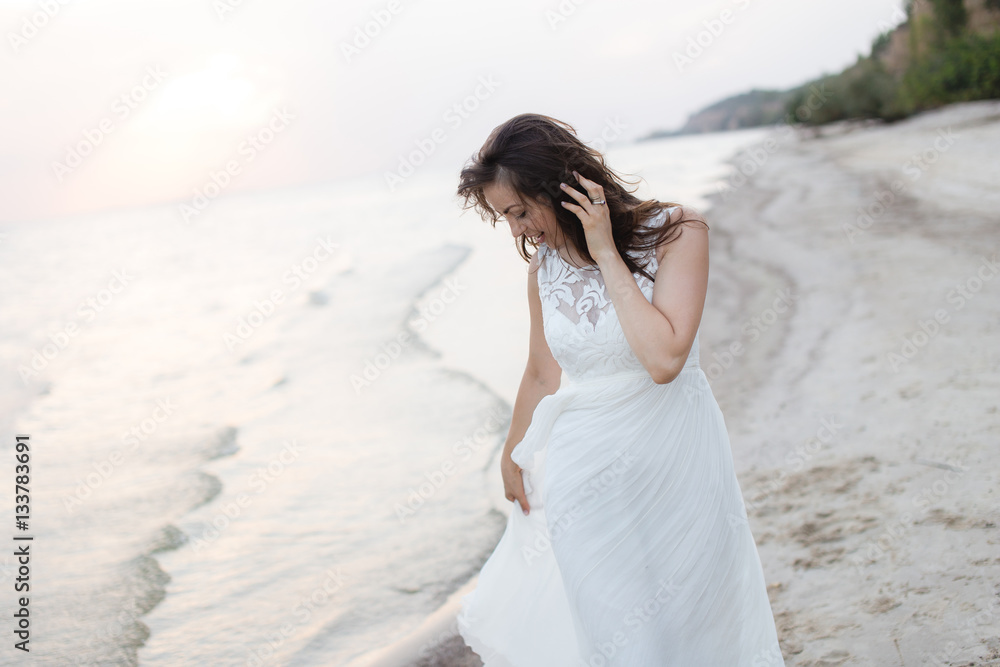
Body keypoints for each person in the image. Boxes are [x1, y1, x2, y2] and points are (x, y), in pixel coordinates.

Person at [453, 113, 784, 666]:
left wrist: (606, 252)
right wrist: (512, 454)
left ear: (561, 189)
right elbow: (541, 370)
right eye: (504, 218)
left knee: (698, 612)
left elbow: (664, 359)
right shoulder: (544, 270)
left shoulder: (678, 233)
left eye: (518, 211)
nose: (516, 230)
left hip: (676, 459)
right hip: (582, 472)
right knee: (616, 629)